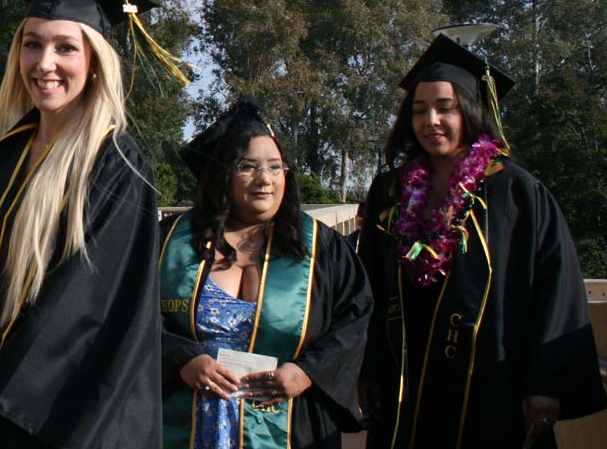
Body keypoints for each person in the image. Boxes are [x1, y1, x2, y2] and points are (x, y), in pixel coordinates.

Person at [0, 0, 165, 449]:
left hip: (77, 416)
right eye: (32, 44)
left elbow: (81, 304)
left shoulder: (116, 161)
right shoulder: (8, 153)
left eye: (65, 48)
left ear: (95, 62)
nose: (44, 64)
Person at [359, 35, 606, 448]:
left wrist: (545, 382)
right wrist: (366, 368)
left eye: (445, 107)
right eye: (419, 110)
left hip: (492, 382)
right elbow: (365, 284)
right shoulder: (390, 192)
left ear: (472, 111)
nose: (431, 120)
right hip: (404, 380)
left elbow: (556, 289)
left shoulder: (515, 192)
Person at [161, 97, 372, 449]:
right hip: (183, 419)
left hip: (288, 422)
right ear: (222, 173)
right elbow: (134, 318)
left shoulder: (322, 249)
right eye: (247, 166)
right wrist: (181, 358)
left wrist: (308, 372)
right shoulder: (169, 243)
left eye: (276, 167)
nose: (265, 181)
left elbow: (354, 320)